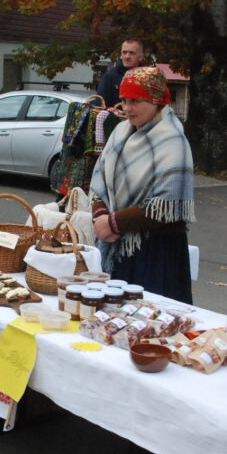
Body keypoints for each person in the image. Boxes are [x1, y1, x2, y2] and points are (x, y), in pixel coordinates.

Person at [90, 66, 195, 304]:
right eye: (124, 101)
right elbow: (99, 183)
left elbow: (165, 206)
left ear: (156, 100)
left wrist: (112, 223)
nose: (127, 108)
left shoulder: (172, 140)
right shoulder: (119, 133)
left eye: (135, 101)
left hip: (156, 254)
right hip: (118, 248)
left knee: (151, 324)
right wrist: (100, 216)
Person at [96, 39, 145, 107]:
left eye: (132, 53)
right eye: (124, 52)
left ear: (141, 57)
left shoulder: (147, 78)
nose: (127, 56)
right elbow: (99, 104)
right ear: (121, 55)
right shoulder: (110, 77)